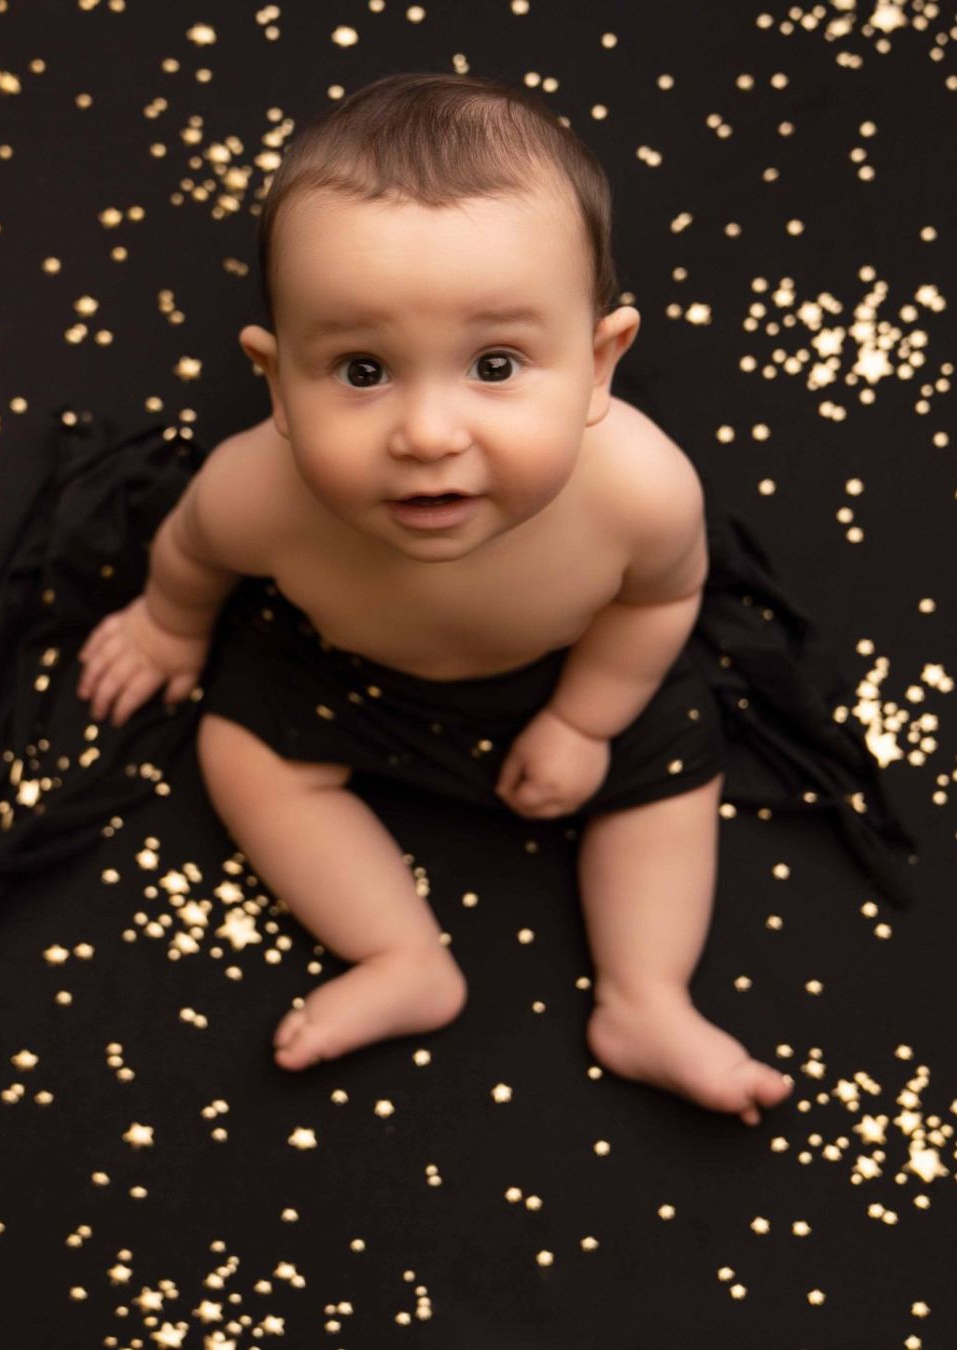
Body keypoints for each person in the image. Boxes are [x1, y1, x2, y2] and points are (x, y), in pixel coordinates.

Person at [77, 72, 793, 1126]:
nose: (426, 434)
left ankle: (647, 997)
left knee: (675, 769)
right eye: (361, 371)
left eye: (495, 364)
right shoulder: (255, 491)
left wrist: (585, 722)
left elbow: (656, 605)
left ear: (600, 364)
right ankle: (399, 951)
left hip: (565, 671)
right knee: (241, 753)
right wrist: (166, 622)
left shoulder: (641, 491)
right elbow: (192, 551)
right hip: (346, 672)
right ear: (276, 384)